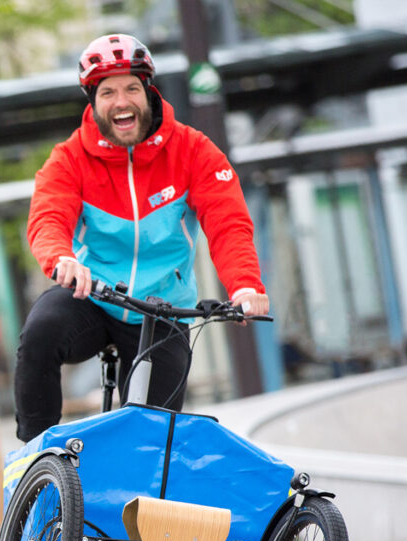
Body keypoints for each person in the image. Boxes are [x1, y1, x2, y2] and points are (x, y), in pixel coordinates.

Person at [14, 33, 270, 443]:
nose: (121, 101)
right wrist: (61, 259)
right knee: (40, 332)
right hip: (94, 296)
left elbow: (227, 222)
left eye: (131, 88)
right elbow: (48, 217)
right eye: (108, 92)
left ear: (148, 92)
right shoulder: (70, 158)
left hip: (163, 308)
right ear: (93, 103)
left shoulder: (192, 149)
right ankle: (35, 456)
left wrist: (244, 285)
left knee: (153, 442)